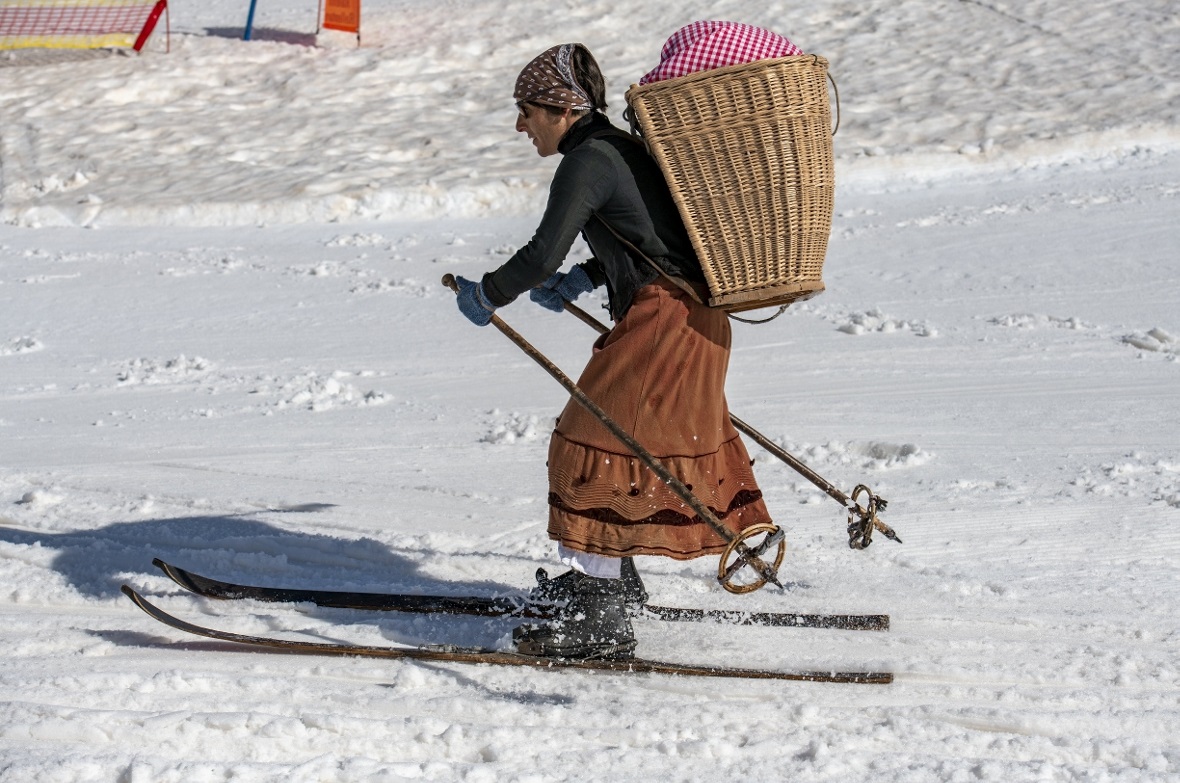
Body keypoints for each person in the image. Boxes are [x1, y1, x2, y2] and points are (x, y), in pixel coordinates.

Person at [453, 43, 774, 660]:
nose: (521, 125)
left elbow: (542, 253)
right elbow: (652, 237)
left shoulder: (589, 161)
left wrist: (487, 294)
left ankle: (601, 621)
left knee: (594, 446)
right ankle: (608, 585)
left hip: (666, 324)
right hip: (692, 319)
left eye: (526, 110)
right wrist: (587, 279)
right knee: (618, 447)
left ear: (560, 108)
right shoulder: (619, 149)